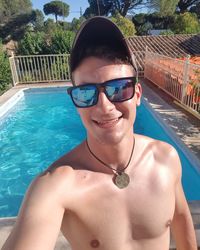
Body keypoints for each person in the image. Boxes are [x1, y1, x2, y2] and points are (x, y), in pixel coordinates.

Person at [2, 17, 197, 250]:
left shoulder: (167, 158)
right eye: (86, 93)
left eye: (119, 88)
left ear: (136, 94)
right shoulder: (55, 187)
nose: (104, 106)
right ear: (76, 103)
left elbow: (182, 225)